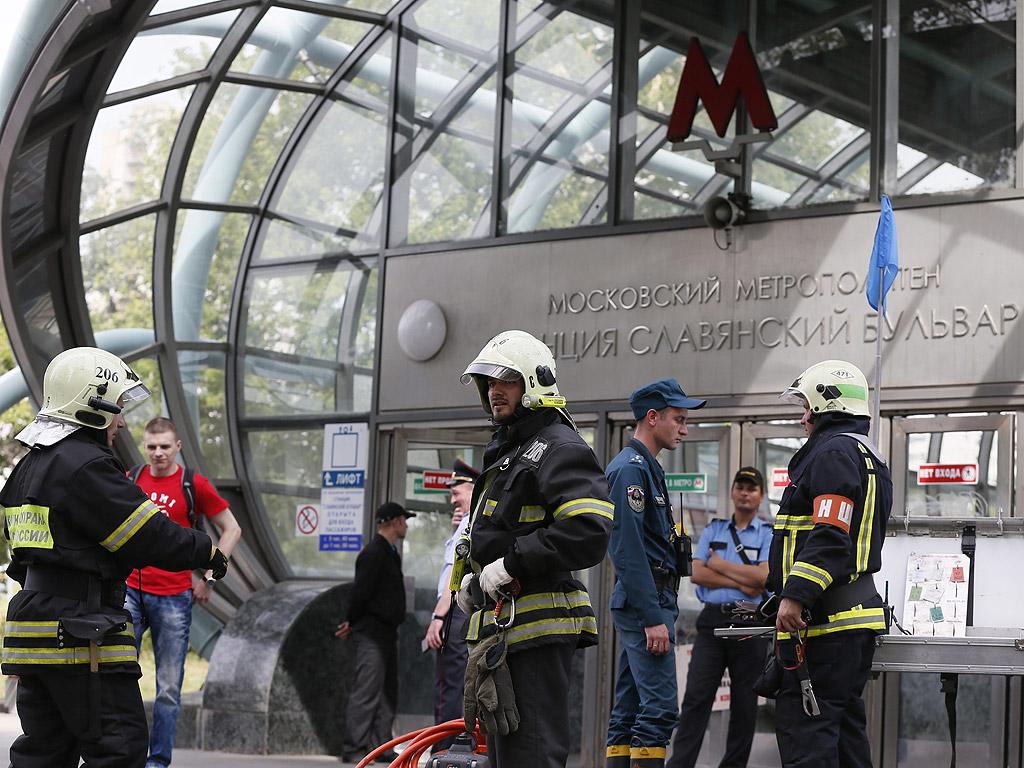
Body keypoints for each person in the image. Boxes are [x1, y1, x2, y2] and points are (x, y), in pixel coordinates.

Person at [0, 346, 228, 768]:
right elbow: (149, 535)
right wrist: (208, 551)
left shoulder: (29, 465)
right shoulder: (86, 465)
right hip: (82, 633)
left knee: (44, 754)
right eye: (118, 407)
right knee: (118, 748)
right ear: (92, 404)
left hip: (34, 632)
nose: (122, 420)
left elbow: (26, 557)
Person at [456, 329, 613, 768]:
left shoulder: (559, 446)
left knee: (535, 756)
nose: (493, 390)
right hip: (508, 629)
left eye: (505, 378)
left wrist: (511, 564)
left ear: (535, 382)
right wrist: (477, 577)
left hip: (537, 630)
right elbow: (500, 531)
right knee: (511, 758)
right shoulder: (513, 449)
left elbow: (589, 529)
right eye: (488, 381)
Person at [769, 360, 892, 768]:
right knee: (844, 741)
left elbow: (829, 535)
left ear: (825, 406)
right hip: (848, 622)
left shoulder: (834, 451)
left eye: (806, 407)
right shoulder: (864, 452)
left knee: (810, 741)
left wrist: (795, 597)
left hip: (826, 627)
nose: (803, 418)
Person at [125, 416, 242, 768]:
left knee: (169, 689)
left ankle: (157, 762)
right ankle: (122, 755)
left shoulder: (194, 484)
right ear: (144, 447)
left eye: (164, 446)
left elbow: (231, 529)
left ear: (177, 447)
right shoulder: (132, 479)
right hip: (130, 589)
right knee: (117, 675)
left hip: (175, 596)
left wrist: (209, 577)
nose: (158, 453)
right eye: (151, 447)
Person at [605, 378, 707, 768]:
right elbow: (627, 550)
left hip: (651, 600)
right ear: (653, 418)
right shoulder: (631, 471)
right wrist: (652, 619)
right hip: (644, 604)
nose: (684, 429)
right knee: (661, 709)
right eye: (678, 420)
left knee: (629, 711)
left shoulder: (646, 468)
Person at [666, 467, 774, 768]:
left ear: (761, 496)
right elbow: (697, 572)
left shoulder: (768, 534)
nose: (745, 492)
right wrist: (742, 582)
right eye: (740, 486)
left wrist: (717, 562)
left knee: (744, 704)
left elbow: (764, 577)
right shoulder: (715, 529)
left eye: (751, 489)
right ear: (732, 492)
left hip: (750, 623)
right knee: (696, 699)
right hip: (712, 621)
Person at [336, 501, 416, 763]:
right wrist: (351, 620)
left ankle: (382, 746)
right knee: (367, 691)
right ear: (395, 522)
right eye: (404, 520)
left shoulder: (389, 552)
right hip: (372, 633)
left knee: (385, 692)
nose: (406, 525)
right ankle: (354, 748)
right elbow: (360, 592)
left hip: (385, 632)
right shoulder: (374, 552)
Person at [423, 458, 479, 752]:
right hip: (457, 611)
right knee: (453, 686)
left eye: (457, 493)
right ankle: (451, 747)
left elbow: (453, 578)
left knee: (449, 688)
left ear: (473, 489)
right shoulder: (466, 523)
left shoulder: (471, 523)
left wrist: (437, 616)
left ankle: (445, 749)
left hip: (454, 612)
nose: (453, 499)